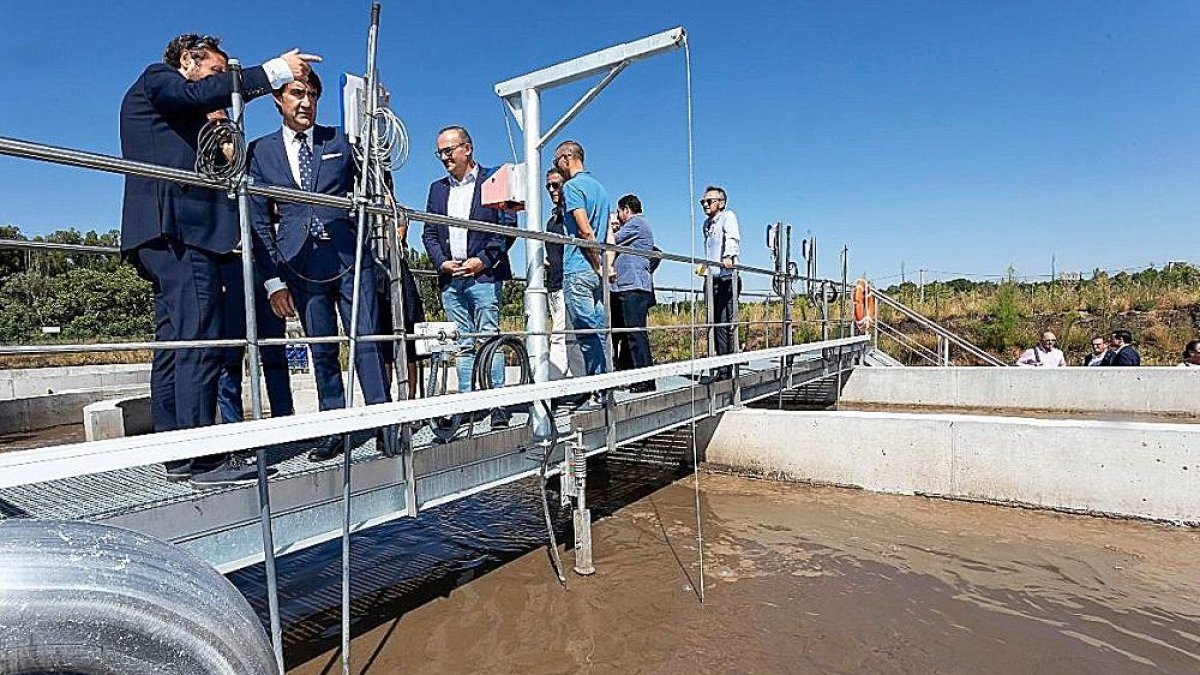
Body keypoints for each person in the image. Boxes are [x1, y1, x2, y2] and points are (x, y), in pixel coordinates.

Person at [119, 33, 318, 486]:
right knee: (200, 340)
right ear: (188, 60)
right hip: (179, 233)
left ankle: (177, 454)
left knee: (175, 344)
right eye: (215, 72)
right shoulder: (158, 78)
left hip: (167, 233)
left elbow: (216, 156)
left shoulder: (179, 111)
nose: (221, 83)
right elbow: (195, 93)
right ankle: (204, 458)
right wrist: (274, 72)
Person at [246, 70, 392, 462]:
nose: (305, 102)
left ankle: (385, 423)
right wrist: (273, 279)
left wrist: (377, 122)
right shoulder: (260, 151)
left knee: (366, 341)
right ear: (278, 99)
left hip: (349, 258)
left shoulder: (340, 142)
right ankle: (335, 428)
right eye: (297, 93)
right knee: (321, 348)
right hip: (299, 263)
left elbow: (379, 183)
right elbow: (258, 219)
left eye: (312, 95)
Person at [421, 126, 517, 428]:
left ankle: (497, 403)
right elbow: (429, 233)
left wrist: (483, 261)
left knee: (489, 339)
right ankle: (467, 405)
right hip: (452, 279)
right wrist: (443, 263)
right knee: (462, 343)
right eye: (440, 152)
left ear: (468, 148)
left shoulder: (495, 178)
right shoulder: (437, 189)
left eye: (448, 151)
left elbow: (508, 227)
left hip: (484, 277)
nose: (444, 157)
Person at [553, 140, 610, 411]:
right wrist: (604, 266)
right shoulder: (600, 188)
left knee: (586, 333)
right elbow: (605, 231)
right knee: (598, 331)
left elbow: (585, 230)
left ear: (567, 158)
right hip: (596, 274)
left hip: (579, 267)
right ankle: (605, 389)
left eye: (556, 163)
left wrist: (595, 260)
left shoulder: (573, 187)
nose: (557, 169)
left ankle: (597, 394)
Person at [216, 256, 294, 423]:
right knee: (230, 354)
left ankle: (284, 419)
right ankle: (233, 427)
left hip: (265, 268)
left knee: (274, 351)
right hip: (227, 264)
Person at [608, 194, 656, 392]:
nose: (618, 217)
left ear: (626, 209)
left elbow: (612, 241)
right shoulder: (637, 226)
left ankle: (645, 379)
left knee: (635, 335)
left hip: (633, 288)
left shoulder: (636, 223)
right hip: (627, 287)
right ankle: (634, 376)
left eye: (619, 212)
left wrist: (609, 229)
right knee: (628, 335)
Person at [544, 168, 586, 381]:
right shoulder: (552, 221)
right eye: (548, 186)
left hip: (568, 282)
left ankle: (555, 384)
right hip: (553, 283)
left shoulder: (571, 217)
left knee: (561, 335)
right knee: (568, 335)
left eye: (556, 185)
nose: (552, 190)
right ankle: (577, 380)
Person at [700, 185, 740, 383]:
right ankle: (719, 366)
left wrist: (729, 256)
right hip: (712, 277)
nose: (705, 205)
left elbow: (732, 237)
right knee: (714, 324)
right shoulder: (707, 224)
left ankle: (727, 369)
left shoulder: (727, 217)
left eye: (709, 201)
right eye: (703, 202)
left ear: (721, 203)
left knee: (725, 323)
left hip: (726, 277)